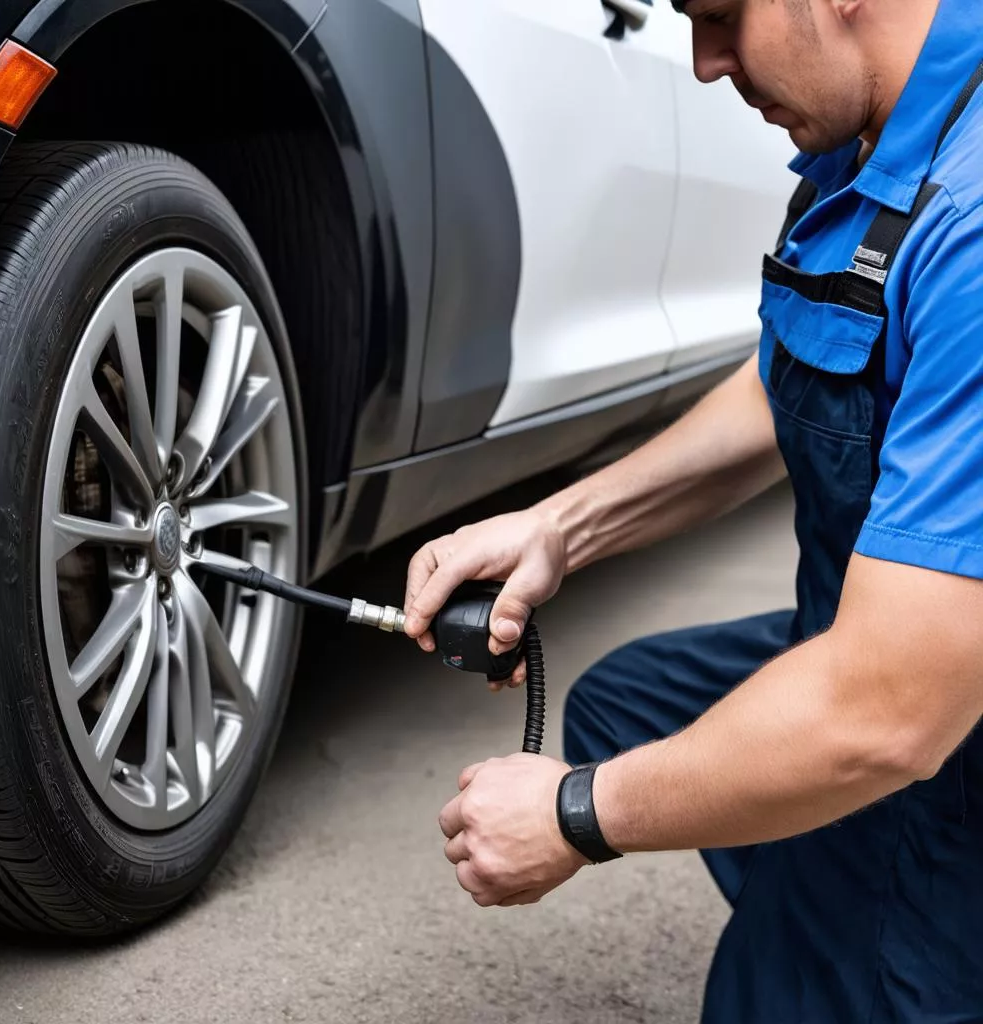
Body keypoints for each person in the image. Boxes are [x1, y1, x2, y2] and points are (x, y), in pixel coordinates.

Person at [401, 0, 983, 1019]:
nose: (706, 64)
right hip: (880, 641)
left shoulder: (970, 226)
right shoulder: (880, 130)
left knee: (770, 977)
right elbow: (794, 375)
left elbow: (890, 714)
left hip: (937, 719)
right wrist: (561, 526)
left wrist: (576, 815)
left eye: (720, 15)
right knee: (630, 701)